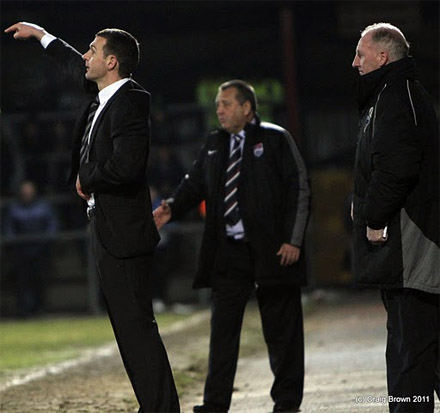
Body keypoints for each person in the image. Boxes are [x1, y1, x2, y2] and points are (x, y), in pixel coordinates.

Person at [5, 22, 179, 413]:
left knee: (137, 330)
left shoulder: (131, 100)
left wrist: (88, 177)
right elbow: (71, 65)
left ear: (112, 61)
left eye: (93, 50)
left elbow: (128, 165)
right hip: (106, 226)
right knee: (128, 332)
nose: (86, 55)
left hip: (124, 232)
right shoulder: (105, 95)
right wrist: (41, 35)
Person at [154, 80, 310, 413]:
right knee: (222, 331)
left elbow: (299, 189)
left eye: (225, 104)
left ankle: (287, 402)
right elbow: (194, 183)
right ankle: (215, 404)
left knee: (282, 332)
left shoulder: (275, 138)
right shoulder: (214, 143)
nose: (219, 110)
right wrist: (171, 206)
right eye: (217, 105)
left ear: (246, 108)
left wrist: (292, 240)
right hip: (229, 251)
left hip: (273, 250)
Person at [351, 23, 439, 413]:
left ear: (382, 56)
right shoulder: (390, 95)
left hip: (411, 245)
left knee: (410, 351)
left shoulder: (396, 98)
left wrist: (372, 216)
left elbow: (398, 168)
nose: (354, 62)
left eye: (361, 54)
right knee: (422, 347)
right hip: (410, 245)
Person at [3, 181, 58, 317]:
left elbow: (52, 225)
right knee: (23, 282)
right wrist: (15, 242)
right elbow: (9, 229)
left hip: (40, 251)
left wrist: (45, 240)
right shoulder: (15, 209)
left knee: (40, 280)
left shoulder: (43, 207)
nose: (27, 194)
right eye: (25, 192)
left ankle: (41, 308)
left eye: (29, 191)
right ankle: (25, 310)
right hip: (22, 251)